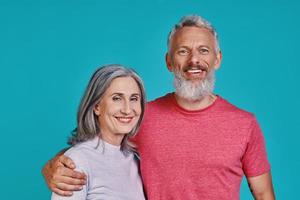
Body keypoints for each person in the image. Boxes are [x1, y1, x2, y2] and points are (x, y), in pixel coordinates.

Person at [42, 15, 275, 199]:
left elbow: (263, 193)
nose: (194, 60)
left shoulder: (244, 124)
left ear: (218, 59)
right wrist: (55, 165)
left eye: (203, 50)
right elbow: (100, 150)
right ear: (169, 62)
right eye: (183, 51)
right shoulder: (141, 117)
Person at [50, 64, 146, 200]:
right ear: (97, 106)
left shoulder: (135, 160)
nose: (127, 109)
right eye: (117, 98)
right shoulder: (77, 161)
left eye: (134, 99)